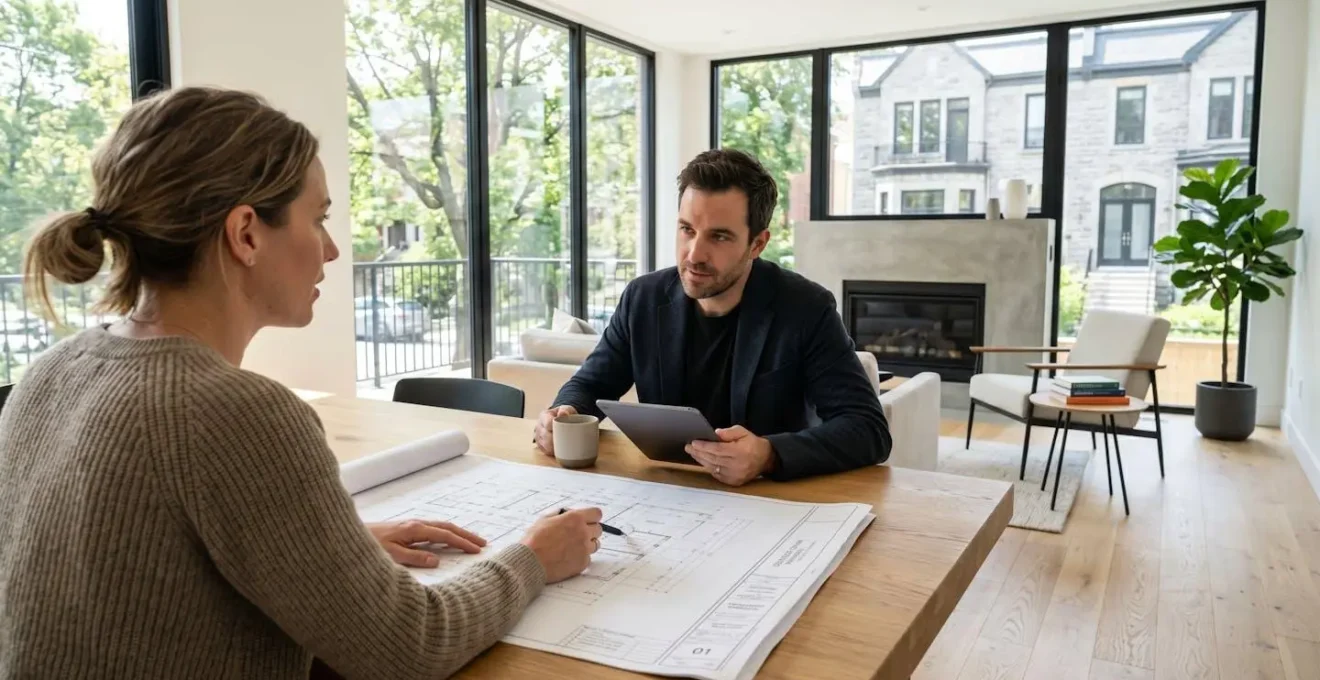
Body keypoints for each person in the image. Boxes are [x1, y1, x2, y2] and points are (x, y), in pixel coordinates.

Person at [0, 86, 603, 679]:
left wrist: (321, 550)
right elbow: (410, 646)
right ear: (246, 234)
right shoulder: (236, 412)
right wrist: (532, 558)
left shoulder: (52, 370)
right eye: (317, 219)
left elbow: (131, 566)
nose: (334, 250)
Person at [533, 149, 891, 486]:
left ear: (757, 244)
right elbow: (591, 385)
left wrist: (768, 455)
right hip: (666, 489)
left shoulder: (806, 308)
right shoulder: (643, 298)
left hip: (769, 502)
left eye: (719, 236)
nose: (694, 254)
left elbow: (868, 430)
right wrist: (561, 413)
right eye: (687, 229)